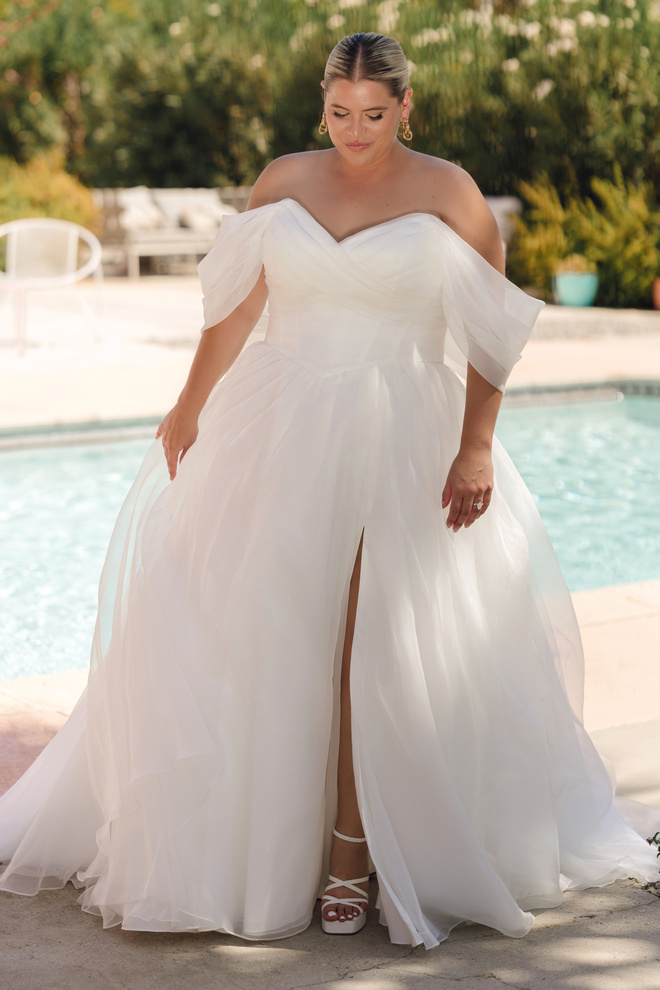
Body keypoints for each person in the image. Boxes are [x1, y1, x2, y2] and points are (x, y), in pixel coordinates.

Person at [0, 33, 658, 948]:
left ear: (406, 109)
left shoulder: (450, 194)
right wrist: (189, 404)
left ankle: (353, 852)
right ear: (324, 107)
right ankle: (275, 846)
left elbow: (492, 338)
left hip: (404, 433)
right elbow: (238, 311)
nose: (358, 132)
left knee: (370, 640)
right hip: (281, 426)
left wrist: (475, 447)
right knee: (272, 636)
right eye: (342, 114)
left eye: (376, 115)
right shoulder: (282, 183)